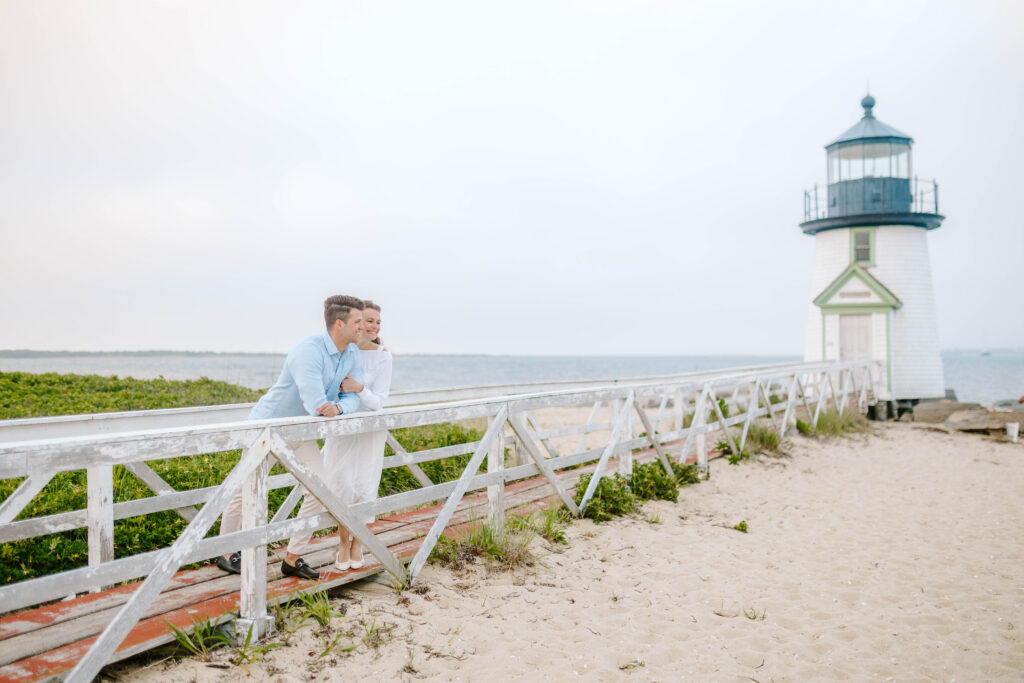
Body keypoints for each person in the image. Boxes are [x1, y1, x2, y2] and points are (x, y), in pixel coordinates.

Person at [215, 295, 365, 581]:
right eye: (357, 322)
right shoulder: (308, 350)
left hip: (301, 431)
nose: (362, 328)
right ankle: (225, 553)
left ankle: (292, 558)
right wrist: (332, 407)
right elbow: (315, 404)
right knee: (247, 490)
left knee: (319, 490)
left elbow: (351, 399)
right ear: (339, 323)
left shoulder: (352, 353)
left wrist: (341, 407)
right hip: (268, 428)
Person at [323, 299, 393, 571]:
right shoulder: (345, 350)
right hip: (343, 427)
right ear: (357, 322)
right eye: (368, 320)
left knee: (364, 486)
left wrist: (359, 388)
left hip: (370, 430)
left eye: (378, 321)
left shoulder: (384, 355)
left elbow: (379, 402)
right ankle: (342, 543)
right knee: (342, 485)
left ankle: (357, 543)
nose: (373, 326)